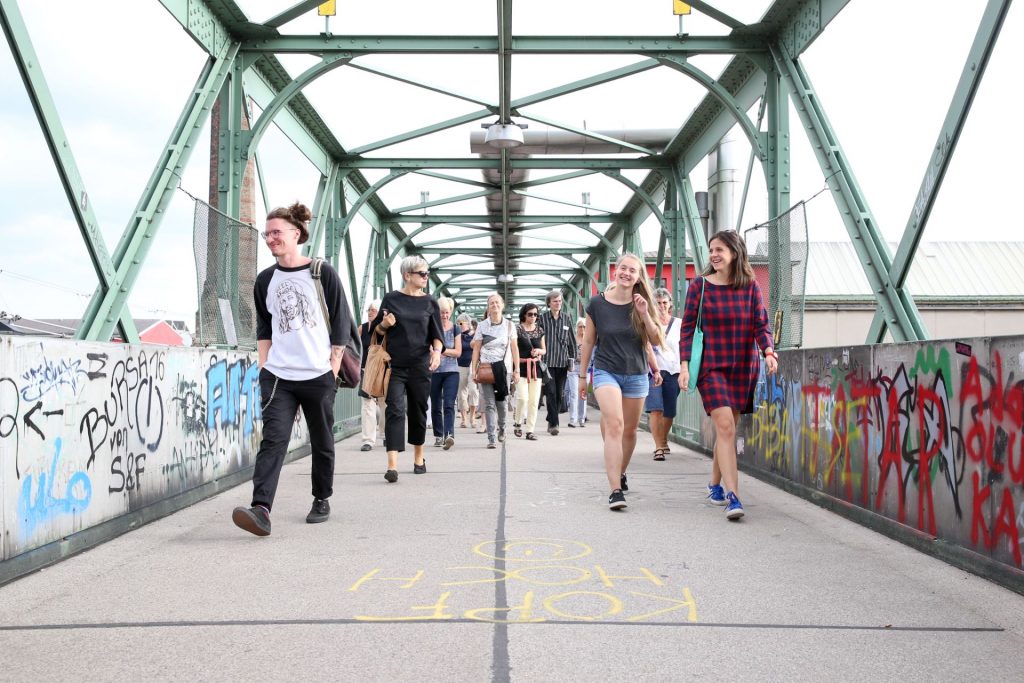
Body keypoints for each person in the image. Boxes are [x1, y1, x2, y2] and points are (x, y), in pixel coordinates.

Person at [232, 202, 353, 536]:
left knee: (322, 440)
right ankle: (261, 509)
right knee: (273, 441)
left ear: (295, 234)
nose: (270, 238)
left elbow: (341, 323)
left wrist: (332, 368)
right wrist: (264, 368)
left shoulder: (321, 272)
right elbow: (265, 329)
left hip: (317, 375)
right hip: (279, 377)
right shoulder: (265, 280)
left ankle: (321, 498)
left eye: (276, 233)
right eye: (266, 234)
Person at [679, 229, 777, 520]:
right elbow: (687, 329)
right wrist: (684, 366)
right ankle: (734, 496)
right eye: (711, 250)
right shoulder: (700, 287)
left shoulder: (749, 286)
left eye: (720, 249)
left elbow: (761, 324)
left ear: (735, 252)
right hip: (712, 368)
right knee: (725, 428)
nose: (714, 254)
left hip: (742, 367)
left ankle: (714, 484)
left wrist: (769, 351)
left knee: (728, 430)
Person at [578, 252, 663, 511]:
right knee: (615, 424)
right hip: (606, 371)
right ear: (616, 270)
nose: (627, 273)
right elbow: (589, 341)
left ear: (638, 277)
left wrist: (644, 313)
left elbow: (656, 340)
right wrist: (583, 377)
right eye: (623, 268)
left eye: (633, 270)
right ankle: (615, 490)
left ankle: (621, 471)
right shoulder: (597, 304)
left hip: (636, 373)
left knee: (629, 430)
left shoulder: (643, 302)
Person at [370, 256, 445, 483]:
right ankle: (392, 465)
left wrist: (437, 352)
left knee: (418, 411)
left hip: (420, 366)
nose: (425, 277)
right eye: (422, 273)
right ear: (407, 275)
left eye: (427, 273)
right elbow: (376, 332)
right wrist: (385, 325)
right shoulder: (391, 299)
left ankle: (419, 457)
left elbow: (437, 335)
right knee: (394, 410)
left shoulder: (430, 302)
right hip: (395, 366)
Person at [471, 292, 520, 449]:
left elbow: (514, 349)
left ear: (502, 305)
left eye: (497, 302)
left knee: (502, 403)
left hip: (503, 369)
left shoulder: (510, 326)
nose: (495, 305)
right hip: (486, 368)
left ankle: (502, 426)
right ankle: (491, 437)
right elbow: (476, 349)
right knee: (489, 404)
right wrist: (474, 371)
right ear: (488, 307)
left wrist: (517, 369)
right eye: (491, 303)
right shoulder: (482, 325)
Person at [647, 287, 682, 461]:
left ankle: (663, 438)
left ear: (670, 305)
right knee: (656, 409)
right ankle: (658, 447)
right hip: (653, 371)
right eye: (658, 303)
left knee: (669, 411)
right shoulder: (649, 323)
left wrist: (686, 370)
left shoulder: (679, 324)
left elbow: (685, 349)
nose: (661, 306)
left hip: (674, 371)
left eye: (664, 303)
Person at [538, 289, 576, 436]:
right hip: (547, 362)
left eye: (560, 301)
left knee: (560, 394)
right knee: (551, 392)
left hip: (562, 362)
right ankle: (554, 424)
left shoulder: (566, 318)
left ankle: (550, 417)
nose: (558, 303)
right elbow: (537, 338)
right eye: (555, 301)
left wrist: (572, 359)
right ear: (549, 303)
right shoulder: (542, 319)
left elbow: (572, 340)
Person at [430, 297, 462, 449]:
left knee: (449, 404)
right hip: (434, 371)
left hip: (451, 372)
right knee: (436, 405)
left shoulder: (456, 328)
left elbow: (458, 352)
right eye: (441, 313)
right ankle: (438, 435)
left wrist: (440, 351)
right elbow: (428, 350)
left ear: (451, 312)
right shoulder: (432, 328)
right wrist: (437, 352)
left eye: (447, 312)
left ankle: (449, 435)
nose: (444, 315)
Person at [512, 302, 546, 440]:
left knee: (533, 401)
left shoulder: (540, 330)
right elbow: (513, 349)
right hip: (521, 367)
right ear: (524, 315)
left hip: (536, 368)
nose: (533, 317)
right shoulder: (517, 329)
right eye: (530, 314)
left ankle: (530, 430)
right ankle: (518, 422)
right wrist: (515, 369)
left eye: (535, 314)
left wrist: (539, 351)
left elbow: (544, 349)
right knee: (522, 398)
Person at [358, 299, 384, 452]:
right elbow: (352, 342)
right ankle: (368, 440)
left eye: (373, 310)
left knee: (383, 404)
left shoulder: (386, 328)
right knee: (367, 405)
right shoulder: (362, 328)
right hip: (365, 369)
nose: (370, 312)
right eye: (369, 309)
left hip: (382, 370)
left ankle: (385, 433)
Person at [455, 313, 479, 429]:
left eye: (460, 323)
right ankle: (464, 419)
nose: (458, 325)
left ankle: (473, 416)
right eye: (457, 323)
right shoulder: (458, 335)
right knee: (461, 392)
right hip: (460, 365)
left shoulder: (475, 335)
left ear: (467, 323)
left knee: (473, 390)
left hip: (472, 365)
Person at [567, 318, 588, 428]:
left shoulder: (589, 340)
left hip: (585, 369)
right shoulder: (573, 340)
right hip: (574, 368)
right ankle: (573, 419)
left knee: (583, 394)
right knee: (574, 393)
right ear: (577, 328)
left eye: (584, 326)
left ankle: (582, 418)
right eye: (580, 326)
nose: (582, 329)